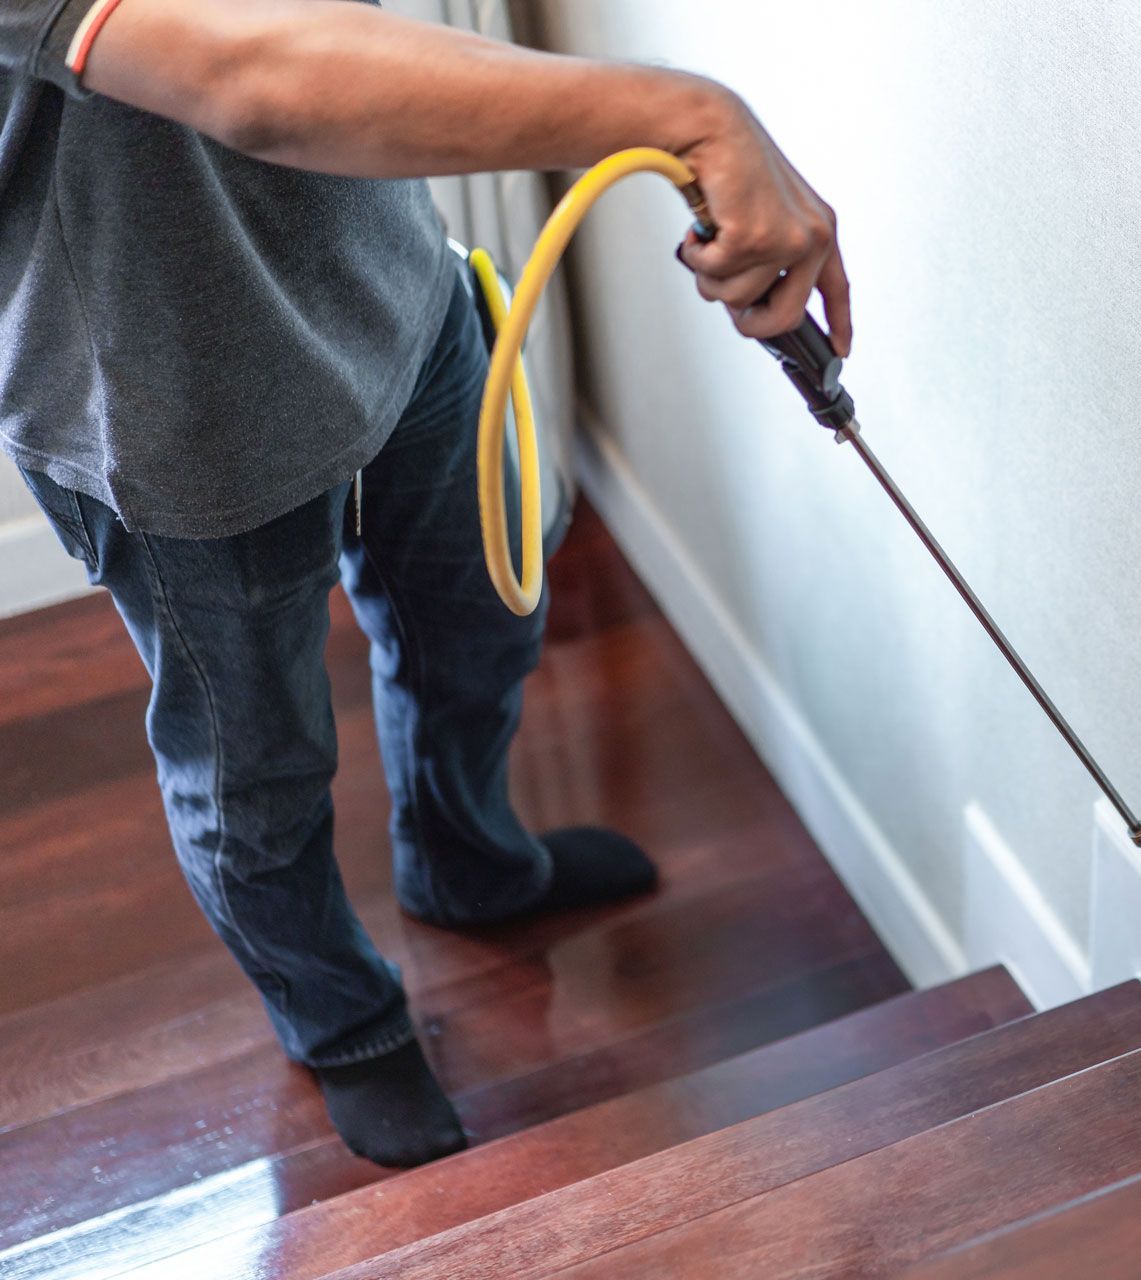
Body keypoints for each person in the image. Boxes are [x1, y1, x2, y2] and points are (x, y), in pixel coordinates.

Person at [0, 0, 852, 1167]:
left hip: (394, 287)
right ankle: (338, 1014)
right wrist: (691, 116)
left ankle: (465, 861)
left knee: (481, 624)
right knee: (257, 772)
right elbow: (249, 72)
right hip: (168, 409)